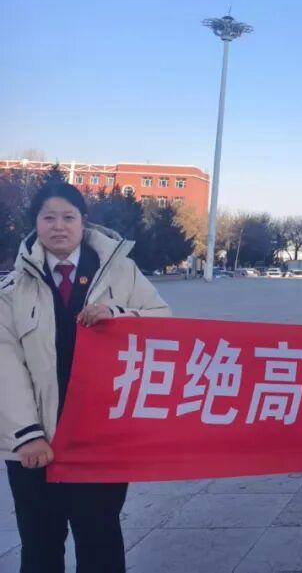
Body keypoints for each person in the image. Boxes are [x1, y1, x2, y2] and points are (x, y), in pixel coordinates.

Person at [0, 182, 171, 572]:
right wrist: (26, 434)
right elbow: (5, 363)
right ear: (35, 224)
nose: (58, 226)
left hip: (100, 439)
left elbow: (163, 324)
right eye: (48, 217)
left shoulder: (121, 273)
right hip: (35, 446)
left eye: (68, 217)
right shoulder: (12, 288)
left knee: (100, 540)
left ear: (83, 222)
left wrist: (118, 315)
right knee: (40, 545)